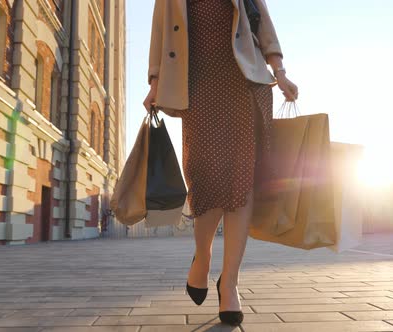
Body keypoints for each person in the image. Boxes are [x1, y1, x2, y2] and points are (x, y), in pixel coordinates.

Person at [143, 0, 298, 326]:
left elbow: (263, 23)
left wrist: (280, 73)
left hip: (244, 81)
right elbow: (160, 32)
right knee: (205, 178)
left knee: (241, 183)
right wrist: (155, 84)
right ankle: (203, 256)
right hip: (197, 84)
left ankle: (230, 282)